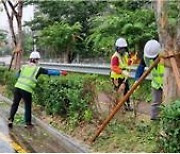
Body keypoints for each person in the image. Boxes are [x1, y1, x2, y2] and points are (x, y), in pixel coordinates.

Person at [8, 51, 67, 128]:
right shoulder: (37, 69)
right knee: (27, 106)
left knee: (15, 104)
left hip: (17, 87)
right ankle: (28, 123)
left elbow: (17, 75)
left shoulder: (24, 67)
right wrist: (60, 72)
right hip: (26, 89)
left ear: (30, 59)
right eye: (38, 60)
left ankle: (10, 119)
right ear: (36, 60)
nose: (38, 61)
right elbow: (49, 72)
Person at [135, 39, 164, 120]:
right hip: (156, 84)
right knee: (155, 103)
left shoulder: (165, 57)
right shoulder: (146, 57)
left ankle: (168, 121)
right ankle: (154, 119)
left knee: (170, 102)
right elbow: (140, 67)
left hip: (168, 84)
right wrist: (137, 79)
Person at [110, 37, 133, 111]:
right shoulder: (115, 57)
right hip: (116, 77)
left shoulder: (126, 54)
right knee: (118, 92)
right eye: (121, 48)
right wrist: (122, 71)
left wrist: (130, 61)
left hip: (124, 76)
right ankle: (115, 107)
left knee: (126, 91)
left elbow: (127, 62)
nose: (122, 50)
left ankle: (127, 105)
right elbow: (114, 67)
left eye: (123, 48)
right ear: (117, 48)